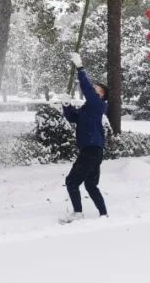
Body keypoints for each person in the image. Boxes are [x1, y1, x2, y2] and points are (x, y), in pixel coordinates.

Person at [60, 52, 109, 222]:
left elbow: (86, 89)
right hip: (94, 150)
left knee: (71, 182)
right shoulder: (87, 108)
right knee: (90, 185)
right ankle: (103, 214)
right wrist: (66, 105)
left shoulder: (98, 104)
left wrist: (80, 67)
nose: (92, 89)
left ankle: (78, 213)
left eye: (96, 89)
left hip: (91, 150)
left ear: (100, 95)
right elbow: (73, 118)